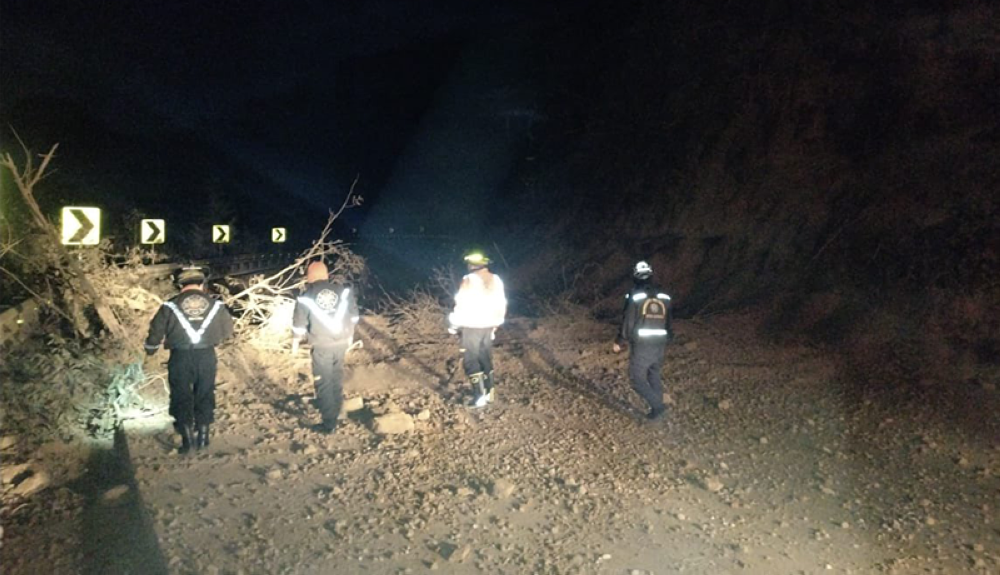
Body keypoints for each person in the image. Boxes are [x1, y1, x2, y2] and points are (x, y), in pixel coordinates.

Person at [145, 266, 234, 453]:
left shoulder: (169, 306)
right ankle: (203, 437)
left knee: (180, 395)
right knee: (205, 393)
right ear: (202, 284)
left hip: (180, 356)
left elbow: (156, 331)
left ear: (179, 284)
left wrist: (150, 350)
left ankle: (187, 442)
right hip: (206, 356)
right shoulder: (216, 305)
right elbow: (227, 333)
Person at [291, 260, 359, 434]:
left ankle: (329, 423)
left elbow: (299, 323)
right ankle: (337, 410)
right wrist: (350, 336)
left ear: (310, 277)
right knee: (336, 378)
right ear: (326, 275)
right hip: (341, 343)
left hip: (322, 346)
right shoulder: (343, 292)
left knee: (323, 382)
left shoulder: (306, 296)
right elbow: (353, 316)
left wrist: (295, 343)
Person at [613, 260, 673, 421]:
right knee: (654, 374)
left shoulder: (635, 296)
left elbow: (628, 321)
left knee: (636, 379)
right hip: (660, 343)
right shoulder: (663, 296)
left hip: (642, 344)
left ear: (635, 276)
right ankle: (656, 411)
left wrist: (620, 340)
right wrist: (670, 337)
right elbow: (668, 320)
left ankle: (658, 407)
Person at [448, 251, 507, 407]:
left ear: (472, 265)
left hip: (471, 326)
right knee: (485, 358)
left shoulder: (468, 280)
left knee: (470, 360)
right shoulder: (496, 280)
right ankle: (489, 393)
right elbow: (502, 304)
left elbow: (460, 303)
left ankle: (479, 396)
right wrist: (495, 325)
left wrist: (453, 326)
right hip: (489, 326)